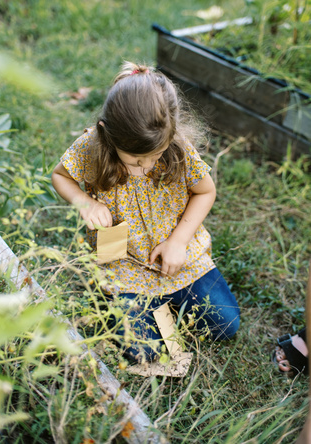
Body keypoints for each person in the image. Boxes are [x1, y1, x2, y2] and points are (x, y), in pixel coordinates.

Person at [52, 61, 240, 363]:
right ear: (107, 134)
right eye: (136, 161)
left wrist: (178, 241)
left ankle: (164, 299)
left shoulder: (178, 148)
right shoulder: (92, 146)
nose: (147, 167)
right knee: (144, 353)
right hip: (122, 261)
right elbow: (60, 176)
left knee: (225, 324)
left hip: (179, 255)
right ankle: (126, 300)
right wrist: (85, 202)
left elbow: (206, 192)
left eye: (154, 156)